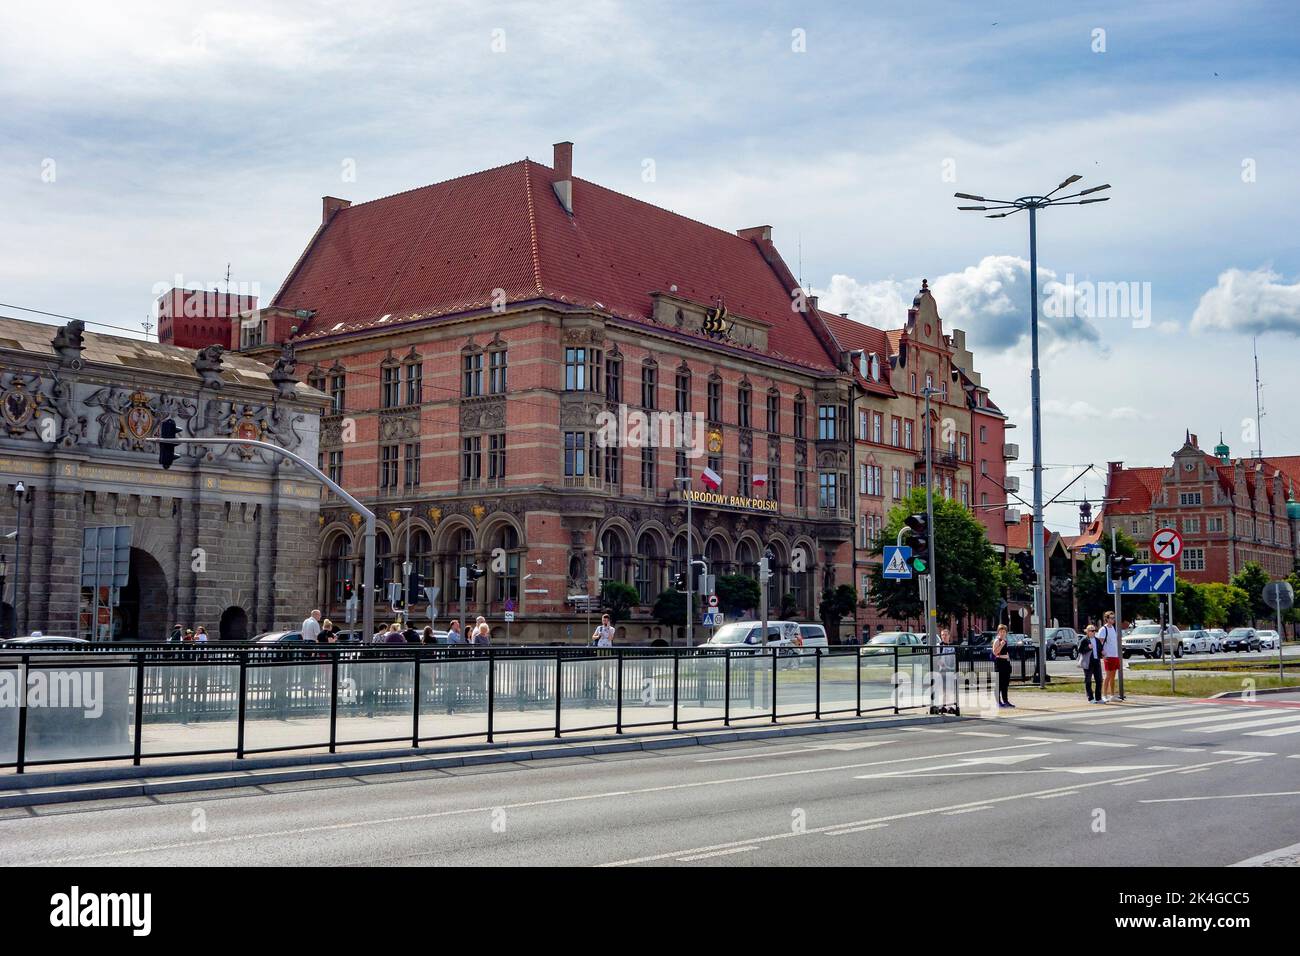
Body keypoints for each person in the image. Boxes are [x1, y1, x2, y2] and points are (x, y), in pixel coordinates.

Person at [1098, 611, 1122, 702]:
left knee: (1113, 676)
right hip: (1108, 656)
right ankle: (1104, 695)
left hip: (1115, 655)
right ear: (1107, 619)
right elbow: (1100, 642)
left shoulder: (1113, 628)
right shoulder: (1103, 629)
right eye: (1111, 618)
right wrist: (1102, 652)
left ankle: (1112, 695)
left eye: (1114, 618)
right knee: (1107, 676)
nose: (1113, 619)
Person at [1078, 624, 1103, 703]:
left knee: (1099, 680)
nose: (1093, 632)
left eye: (1094, 630)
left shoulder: (1097, 640)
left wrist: (1102, 653)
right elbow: (1080, 650)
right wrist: (1088, 648)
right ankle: (1090, 698)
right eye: (1092, 631)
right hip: (1088, 662)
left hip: (1096, 661)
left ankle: (1098, 698)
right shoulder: (1084, 640)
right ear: (1087, 632)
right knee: (1088, 680)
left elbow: (1100, 649)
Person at [991, 624, 1013, 708]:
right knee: (999, 683)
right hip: (999, 662)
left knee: (1005, 683)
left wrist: (1008, 660)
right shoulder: (997, 640)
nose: (1003, 633)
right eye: (1001, 631)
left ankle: (1005, 700)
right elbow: (995, 652)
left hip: (1006, 663)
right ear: (998, 632)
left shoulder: (1005, 640)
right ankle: (998, 701)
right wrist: (1001, 644)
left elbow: (1006, 653)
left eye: (1004, 631)